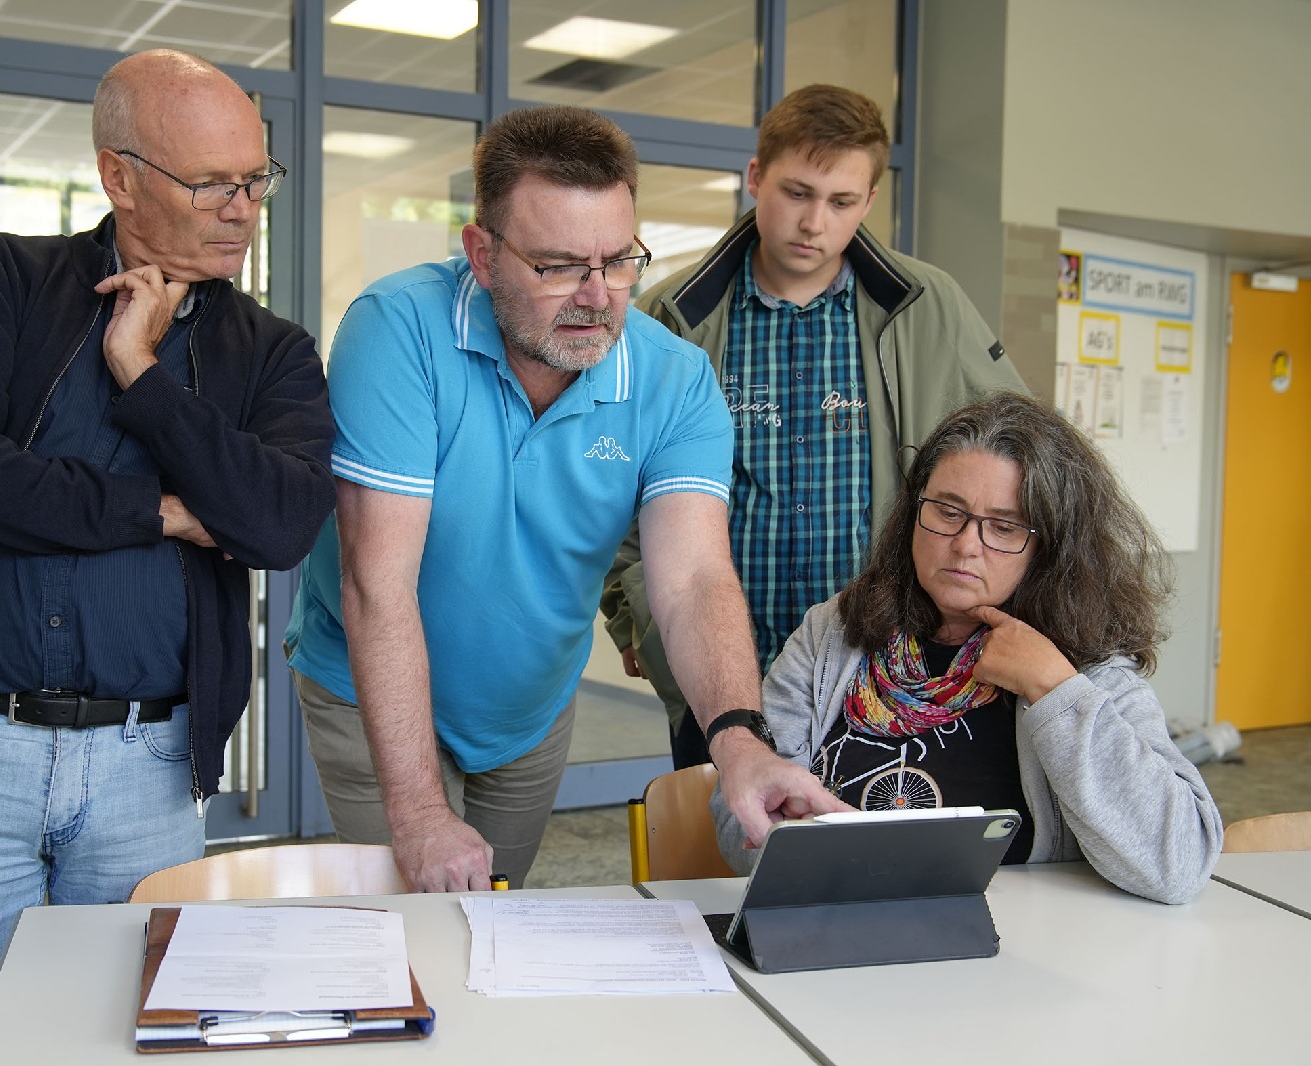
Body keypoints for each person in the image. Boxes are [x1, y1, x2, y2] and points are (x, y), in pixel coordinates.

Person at [0, 50, 334, 1066]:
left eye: (257, 179)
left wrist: (139, 372)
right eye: (212, 184)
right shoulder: (2, 279)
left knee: (124, 1039)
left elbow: (281, 523)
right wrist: (164, 511)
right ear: (120, 176)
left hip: (146, 766)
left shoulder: (273, 351)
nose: (244, 210)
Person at [284, 105, 847, 894]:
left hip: (529, 707)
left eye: (619, 262)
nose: (598, 296)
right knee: (418, 916)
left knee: (497, 914)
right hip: (366, 688)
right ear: (483, 255)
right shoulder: (398, 330)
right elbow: (378, 582)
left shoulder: (674, 379)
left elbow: (692, 580)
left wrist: (740, 743)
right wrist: (418, 813)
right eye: (558, 267)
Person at [603, 84, 1028, 768]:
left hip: (881, 676)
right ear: (755, 177)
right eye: (797, 192)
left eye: (840, 202)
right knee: (725, 835)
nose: (814, 223)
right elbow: (607, 478)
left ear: (869, 200)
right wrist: (633, 617)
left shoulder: (930, 308)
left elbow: (1020, 456)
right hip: (718, 674)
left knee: (872, 834)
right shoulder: (669, 318)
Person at [711, 392, 1224, 904]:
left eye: (1004, 526)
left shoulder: (1085, 667)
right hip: (838, 919)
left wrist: (1054, 689)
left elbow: (1178, 866)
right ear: (914, 512)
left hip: (1022, 940)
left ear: (1050, 548)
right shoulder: (834, 633)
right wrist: (789, 844)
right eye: (947, 511)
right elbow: (740, 819)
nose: (965, 544)